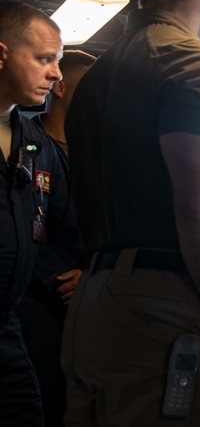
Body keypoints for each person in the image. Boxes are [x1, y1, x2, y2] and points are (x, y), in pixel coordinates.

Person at [63, 0, 200, 425]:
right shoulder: (192, 60)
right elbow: (199, 200)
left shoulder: (98, 76)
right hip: (158, 302)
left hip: (93, 301)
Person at [18, 49, 94, 427]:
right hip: (37, 296)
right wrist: (63, 281)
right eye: (89, 85)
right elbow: (21, 226)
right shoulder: (25, 140)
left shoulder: (98, 152)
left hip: (88, 294)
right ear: (61, 87)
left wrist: (92, 274)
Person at [0, 0, 67, 426]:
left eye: (57, 61)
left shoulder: (35, 143)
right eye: (44, 59)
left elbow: (63, 221)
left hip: (9, 324)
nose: (56, 73)